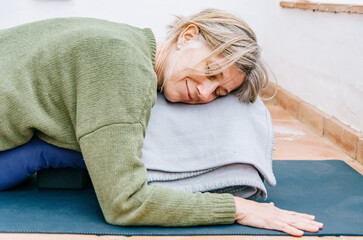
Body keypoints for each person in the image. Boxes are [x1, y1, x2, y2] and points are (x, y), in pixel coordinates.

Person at [0, 8, 323, 236]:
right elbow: (125, 204)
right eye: (211, 72)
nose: (204, 92)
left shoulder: (124, 38)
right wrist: (238, 208)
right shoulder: (121, 67)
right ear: (188, 35)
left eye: (220, 91)